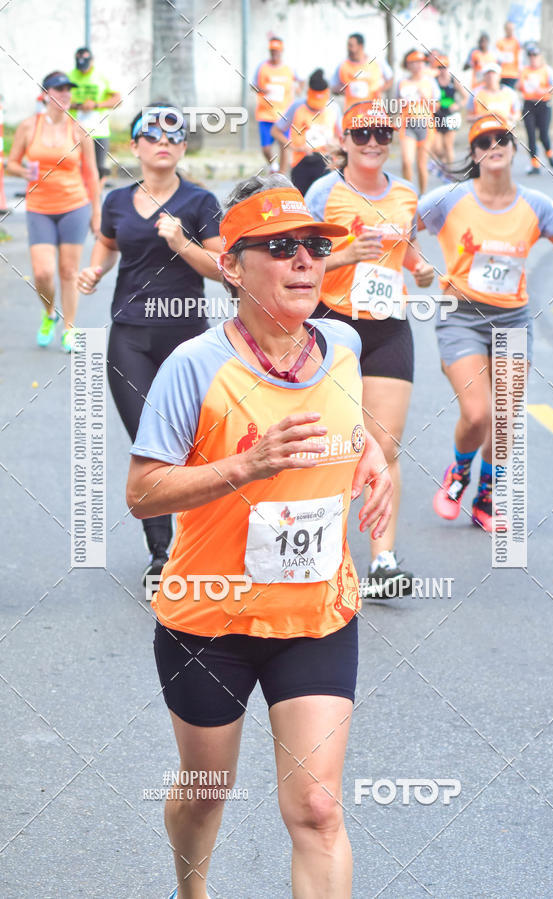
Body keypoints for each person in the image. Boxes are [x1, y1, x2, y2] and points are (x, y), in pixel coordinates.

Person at [125, 175, 393, 899]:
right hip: (209, 616)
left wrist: (371, 451)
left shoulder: (341, 343)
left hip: (316, 613)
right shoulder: (196, 366)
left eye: (313, 245)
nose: (304, 259)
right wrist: (248, 463)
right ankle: (191, 885)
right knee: (207, 790)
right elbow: (142, 490)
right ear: (233, 268)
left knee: (316, 807)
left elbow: (348, 417)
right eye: (280, 247)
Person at [417, 114, 553, 531]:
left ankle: (485, 498)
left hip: (512, 320)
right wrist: (418, 267)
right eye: (484, 142)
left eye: (502, 139)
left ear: (515, 149)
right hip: (462, 317)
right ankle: (459, 472)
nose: (493, 146)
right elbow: (401, 228)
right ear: (475, 153)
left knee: (504, 418)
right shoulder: (447, 199)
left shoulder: (535, 205)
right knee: (478, 414)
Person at [76, 105, 222, 584]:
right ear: (135, 146)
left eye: (174, 136)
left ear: (182, 148)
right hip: (130, 337)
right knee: (150, 445)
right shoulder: (117, 201)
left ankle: (201, 542)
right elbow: (108, 241)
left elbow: (226, 271)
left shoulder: (200, 203)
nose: (164, 142)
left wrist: (182, 243)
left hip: (188, 341)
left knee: (194, 446)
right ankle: (162, 556)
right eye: (152, 135)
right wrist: (95, 270)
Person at [305, 100, 435, 597]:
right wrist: (344, 256)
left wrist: (421, 270)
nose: (373, 142)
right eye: (362, 135)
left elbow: (411, 252)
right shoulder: (324, 191)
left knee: (387, 442)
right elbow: (298, 259)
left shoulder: (405, 192)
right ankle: (324, 549)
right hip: (333, 325)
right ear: (345, 139)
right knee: (333, 441)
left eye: (382, 132)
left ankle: (382, 560)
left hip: (388, 326)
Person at [7, 71, 100, 352]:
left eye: (67, 90)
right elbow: (11, 163)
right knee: (43, 273)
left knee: (69, 270)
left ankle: (69, 327)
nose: (64, 94)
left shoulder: (78, 129)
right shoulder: (28, 127)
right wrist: (24, 170)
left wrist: (96, 215)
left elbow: (92, 174)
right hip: (39, 208)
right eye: (58, 90)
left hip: (74, 206)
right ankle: (49, 313)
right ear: (45, 95)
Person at [271, 68, 342, 195]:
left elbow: (343, 137)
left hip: (325, 162)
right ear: (309, 94)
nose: (317, 109)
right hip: (300, 163)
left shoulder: (333, 109)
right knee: (301, 202)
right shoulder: (297, 107)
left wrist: (334, 146)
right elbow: (276, 131)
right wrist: (294, 147)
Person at [69, 47, 121, 190]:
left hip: (99, 131)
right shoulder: (69, 77)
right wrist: (77, 105)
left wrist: (96, 105)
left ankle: (95, 199)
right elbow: (59, 100)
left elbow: (117, 99)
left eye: (85, 64)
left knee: (98, 169)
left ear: (91, 61)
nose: (83, 69)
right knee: (76, 167)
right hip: (75, 130)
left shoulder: (101, 77)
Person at [252, 36, 303, 173]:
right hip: (265, 114)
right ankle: (273, 165)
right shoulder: (262, 67)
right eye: (272, 51)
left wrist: (298, 89)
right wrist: (263, 90)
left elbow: (301, 80)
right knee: (266, 148)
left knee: (284, 145)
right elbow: (253, 85)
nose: (274, 54)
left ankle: (282, 173)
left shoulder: (288, 69)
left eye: (277, 51)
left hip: (283, 114)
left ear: (281, 51)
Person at [398, 49, 440, 195]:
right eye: (414, 63)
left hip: (425, 125)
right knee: (407, 161)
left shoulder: (430, 82)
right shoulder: (402, 83)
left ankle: (422, 195)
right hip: (408, 124)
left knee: (422, 165)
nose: (418, 65)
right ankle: (409, 194)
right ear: (408, 65)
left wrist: (425, 99)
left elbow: (437, 106)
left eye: (421, 62)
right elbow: (396, 104)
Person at [518, 44, 553, 174]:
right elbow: (519, 86)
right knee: (530, 134)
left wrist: (544, 90)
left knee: (543, 134)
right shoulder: (524, 71)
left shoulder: (547, 70)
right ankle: (535, 164)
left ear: (539, 57)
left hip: (543, 104)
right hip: (529, 104)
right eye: (530, 56)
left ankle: (549, 153)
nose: (533, 58)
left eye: (535, 55)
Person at [332, 33, 393, 110]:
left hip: (374, 110)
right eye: (348, 45)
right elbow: (333, 87)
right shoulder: (343, 65)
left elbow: (390, 79)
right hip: (352, 111)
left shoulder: (376, 62)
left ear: (360, 46)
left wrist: (379, 90)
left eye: (351, 45)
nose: (348, 48)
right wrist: (346, 90)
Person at [433, 55, 468, 166]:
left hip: (451, 115)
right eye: (439, 67)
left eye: (444, 67)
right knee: (437, 148)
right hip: (437, 115)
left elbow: (465, 97)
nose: (442, 70)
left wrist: (457, 106)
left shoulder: (453, 81)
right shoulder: (433, 81)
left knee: (448, 145)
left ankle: (450, 170)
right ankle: (443, 162)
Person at [467, 63, 520, 128]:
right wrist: (480, 117)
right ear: (484, 76)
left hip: (504, 128)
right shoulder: (475, 93)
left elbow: (517, 114)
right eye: (488, 74)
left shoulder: (510, 92)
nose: (491, 76)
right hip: (483, 128)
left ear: (499, 76)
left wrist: (510, 117)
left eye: (493, 73)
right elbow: (468, 117)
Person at [496, 20, 521, 89]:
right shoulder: (500, 42)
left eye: (512, 29)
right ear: (505, 30)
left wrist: (520, 74)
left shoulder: (516, 42)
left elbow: (519, 59)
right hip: (502, 74)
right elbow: (497, 58)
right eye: (508, 29)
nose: (510, 31)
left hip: (513, 74)